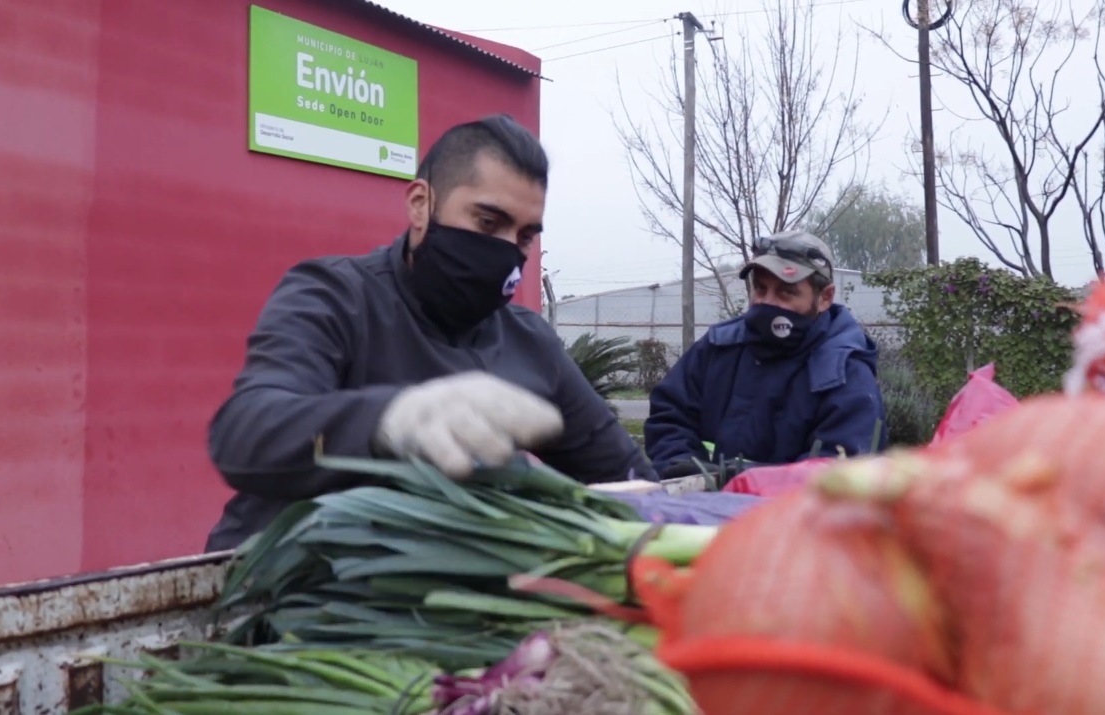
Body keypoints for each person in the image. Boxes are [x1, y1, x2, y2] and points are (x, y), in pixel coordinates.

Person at [204, 114, 655, 551]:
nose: (506, 252)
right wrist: (389, 421)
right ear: (421, 204)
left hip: (429, 608)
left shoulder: (530, 344)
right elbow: (246, 435)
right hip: (285, 592)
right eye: (487, 222)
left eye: (524, 237)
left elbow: (629, 476)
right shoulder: (334, 296)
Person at [643, 230, 887, 478]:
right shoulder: (718, 348)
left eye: (786, 292)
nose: (767, 303)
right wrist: (688, 470)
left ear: (825, 297)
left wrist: (746, 484)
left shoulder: (845, 373)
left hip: (788, 515)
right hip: (702, 509)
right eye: (760, 289)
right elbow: (670, 417)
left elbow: (837, 473)